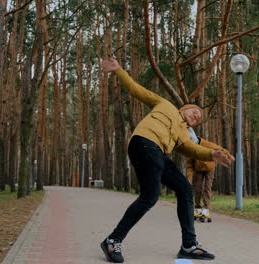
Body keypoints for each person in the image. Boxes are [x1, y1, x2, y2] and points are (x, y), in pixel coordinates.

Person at [100, 58, 234, 263]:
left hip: (157, 154)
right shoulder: (165, 104)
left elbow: (192, 149)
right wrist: (119, 71)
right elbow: (137, 90)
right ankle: (113, 240)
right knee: (150, 196)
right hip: (144, 143)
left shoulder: (183, 134)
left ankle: (189, 245)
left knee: (185, 189)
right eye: (194, 111)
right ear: (184, 108)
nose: (196, 116)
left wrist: (211, 154)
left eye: (198, 118)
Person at [186, 134, 232, 223]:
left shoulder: (206, 144)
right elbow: (189, 165)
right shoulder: (190, 149)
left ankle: (206, 208)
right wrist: (189, 177)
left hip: (210, 168)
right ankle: (198, 208)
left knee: (207, 188)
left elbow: (219, 148)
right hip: (199, 169)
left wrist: (228, 155)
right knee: (197, 188)